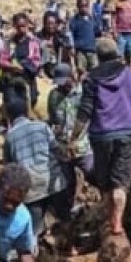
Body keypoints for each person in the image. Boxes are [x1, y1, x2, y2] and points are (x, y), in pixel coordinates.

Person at [70, 38, 131, 236]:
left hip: (101, 134)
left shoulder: (92, 78)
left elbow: (85, 111)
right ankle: (117, 223)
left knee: (105, 179)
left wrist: (74, 137)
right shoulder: (130, 74)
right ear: (117, 53)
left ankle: (107, 216)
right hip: (126, 132)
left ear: (98, 57)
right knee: (120, 180)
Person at [3, 91, 69, 239]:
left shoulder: (10, 137)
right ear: (27, 111)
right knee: (64, 219)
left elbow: (9, 169)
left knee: (33, 230)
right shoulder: (42, 126)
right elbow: (57, 150)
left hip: (31, 190)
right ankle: (69, 249)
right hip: (53, 182)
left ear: (9, 116)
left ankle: (31, 255)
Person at [47, 63, 94, 213]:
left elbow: (90, 117)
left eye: (64, 82)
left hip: (83, 145)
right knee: (66, 181)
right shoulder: (54, 96)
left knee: (92, 172)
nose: (62, 87)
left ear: (72, 77)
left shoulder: (83, 94)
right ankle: (68, 210)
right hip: (62, 147)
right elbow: (53, 118)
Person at [1, 13, 42, 110]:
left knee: (31, 102)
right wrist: (12, 67)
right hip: (13, 77)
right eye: (18, 26)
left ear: (27, 25)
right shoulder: (9, 42)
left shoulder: (33, 42)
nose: (21, 29)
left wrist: (27, 66)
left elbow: (37, 59)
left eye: (23, 26)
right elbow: (2, 60)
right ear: (15, 26)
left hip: (28, 77)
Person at [69, 0, 100, 76]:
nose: (84, 8)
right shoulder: (74, 21)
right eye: (81, 6)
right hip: (80, 51)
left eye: (86, 6)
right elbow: (70, 34)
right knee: (81, 71)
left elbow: (97, 33)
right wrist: (72, 47)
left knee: (95, 70)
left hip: (92, 50)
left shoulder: (92, 20)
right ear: (78, 7)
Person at [37, 11, 71, 78]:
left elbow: (67, 46)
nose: (50, 26)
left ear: (56, 24)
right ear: (44, 24)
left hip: (59, 65)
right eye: (48, 23)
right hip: (44, 66)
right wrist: (44, 43)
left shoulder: (61, 36)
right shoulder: (39, 35)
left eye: (53, 23)